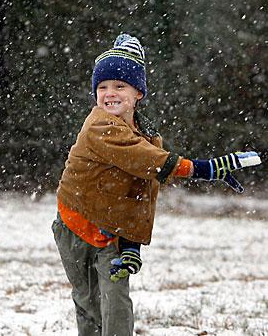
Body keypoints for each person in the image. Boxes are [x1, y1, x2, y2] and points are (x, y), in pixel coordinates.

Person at [53, 33, 261, 336]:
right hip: (75, 225)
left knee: (116, 300)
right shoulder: (99, 125)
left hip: (110, 232)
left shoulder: (147, 135)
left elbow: (142, 193)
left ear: (138, 93)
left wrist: (131, 245)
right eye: (102, 87)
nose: (109, 93)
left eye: (119, 86)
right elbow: (148, 160)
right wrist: (206, 169)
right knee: (88, 302)